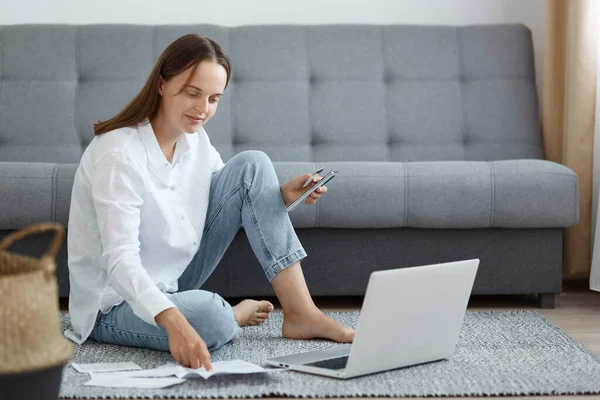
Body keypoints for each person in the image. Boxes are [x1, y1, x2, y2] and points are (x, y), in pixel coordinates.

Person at [64, 33, 355, 370]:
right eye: (193, 93)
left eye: (214, 99)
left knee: (254, 164)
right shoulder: (118, 155)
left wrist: (280, 195)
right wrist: (176, 323)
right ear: (161, 84)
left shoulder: (194, 140)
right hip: (115, 303)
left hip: (174, 278)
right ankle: (229, 315)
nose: (203, 110)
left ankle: (301, 312)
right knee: (212, 317)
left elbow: (237, 193)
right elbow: (119, 262)